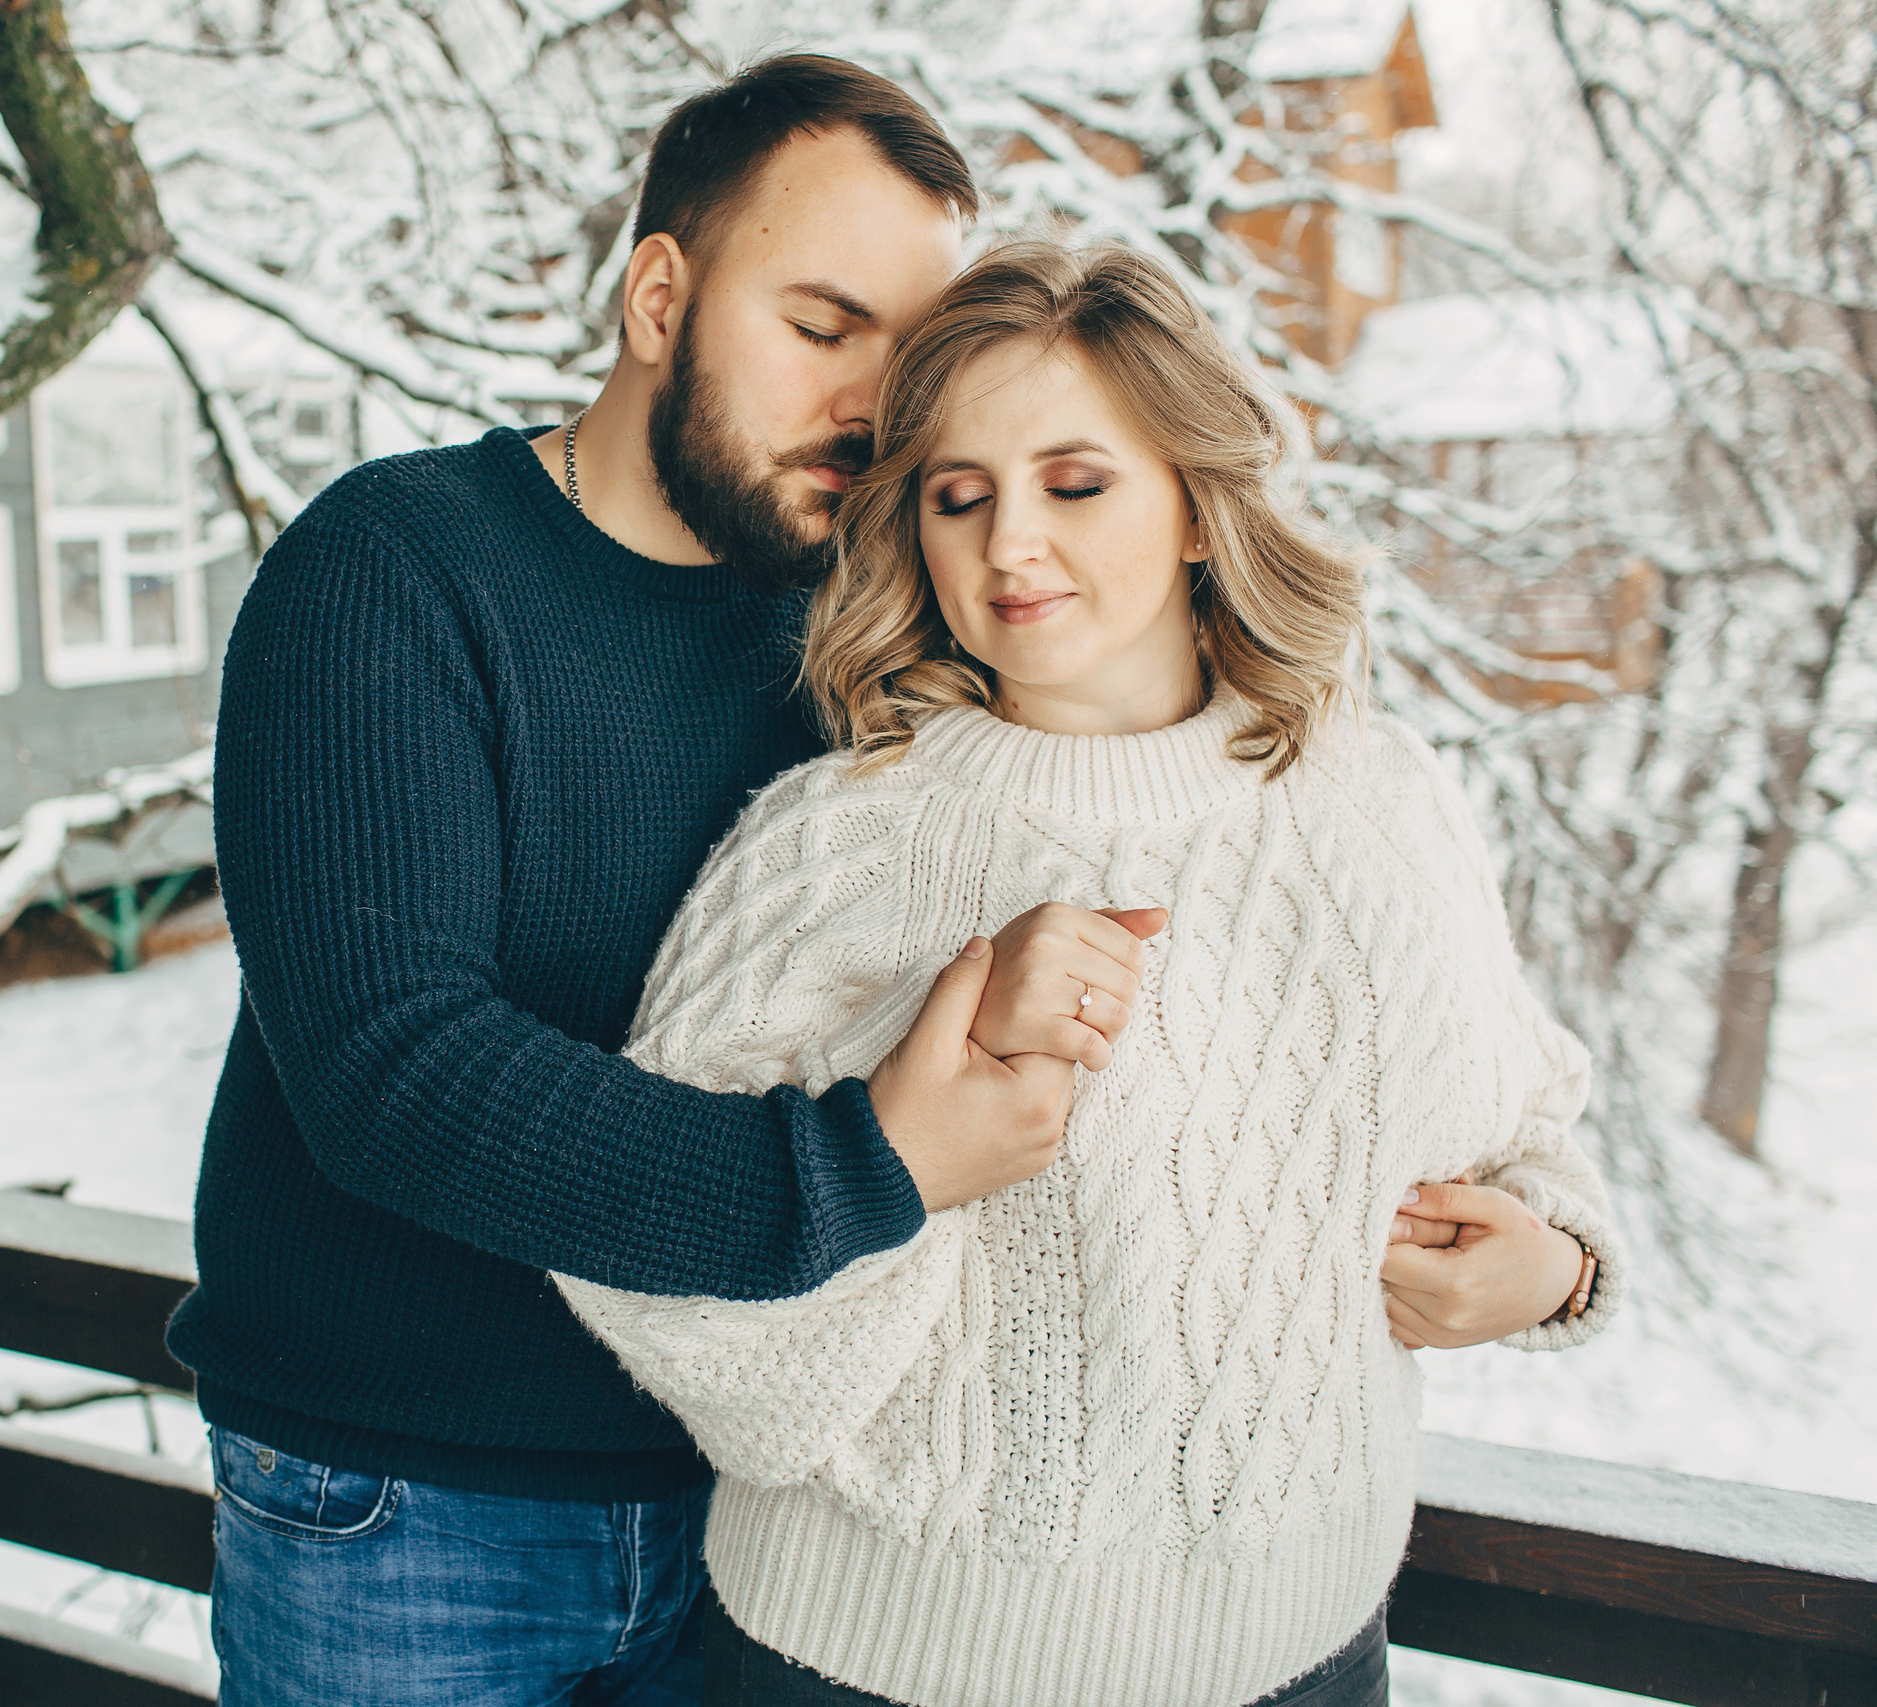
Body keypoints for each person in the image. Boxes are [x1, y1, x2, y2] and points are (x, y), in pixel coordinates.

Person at [173, 58, 1169, 1706]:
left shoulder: (856, 631)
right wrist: (861, 1168)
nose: (870, 404)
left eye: (906, 361)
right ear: (659, 295)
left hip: (760, 1515)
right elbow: (390, 1071)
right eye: (820, 325)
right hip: (410, 1510)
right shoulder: (394, 568)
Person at [558, 240, 1624, 1707]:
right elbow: (649, 1274)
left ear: (1195, 505)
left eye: (1075, 483)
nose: (1009, 547)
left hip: (1311, 1665)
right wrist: (910, 1109)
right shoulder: (837, 844)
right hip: (876, 1673)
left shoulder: (1383, 801)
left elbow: (1526, 1124)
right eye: (958, 495)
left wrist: (1558, 1263)